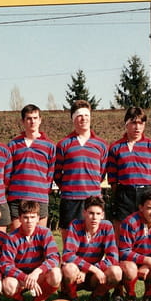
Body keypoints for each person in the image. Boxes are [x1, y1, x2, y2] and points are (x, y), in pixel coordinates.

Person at [54, 99, 108, 238]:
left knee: (94, 241)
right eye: (79, 116)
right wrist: (69, 188)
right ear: (73, 119)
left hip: (93, 199)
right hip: (70, 200)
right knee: (69, 240)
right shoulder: (63, 144)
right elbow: (57, 173)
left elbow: (102, 173)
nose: (83, 119)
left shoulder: (101, 145)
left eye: (86, 115)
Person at [0, 200, 62, 301]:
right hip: (20, 277)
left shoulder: (45, 233)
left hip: (38, 275)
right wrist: (25, 277)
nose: (29, 221)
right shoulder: (12, 237)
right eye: (26, 217)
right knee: (8, 285)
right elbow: (5, 265)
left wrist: (37, 272)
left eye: (32, 217)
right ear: (20, 218)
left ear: (38, 218)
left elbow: (54, 257)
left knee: (56, 273)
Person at [60, 196, 121, 301]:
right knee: (69, 268)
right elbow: (68, 255)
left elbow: (113, 258)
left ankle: (97, 296)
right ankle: (72, 297)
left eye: (98, 214)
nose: (94, 217)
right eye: (91, 213)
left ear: (102, 215)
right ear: (84, 213)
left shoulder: (107, 227)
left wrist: (90, 270)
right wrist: (91, 269)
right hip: (77, 274)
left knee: (116, 272)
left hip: (95, 276)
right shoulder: (75, 225)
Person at [106, 106, 151, 228]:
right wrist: (121, 192)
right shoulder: (116, 147)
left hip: (146, 192)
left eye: (141, 123)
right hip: (124, 194)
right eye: (133, 123)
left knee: (146, 229)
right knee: (122, 228)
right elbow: (112, 176)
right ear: (126, 124)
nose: (137, 127)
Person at [7, 104, 56, 230]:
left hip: (39, 197)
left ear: (40, 120)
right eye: (29, 118)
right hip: (17, 197)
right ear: (23, 121)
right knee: (16, 238)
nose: (32, 121)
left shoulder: (49, 146)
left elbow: (50, 173)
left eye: (35, 118)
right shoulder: (13, 145)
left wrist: (44, 190)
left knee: (40, 238)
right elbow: (7, 172)